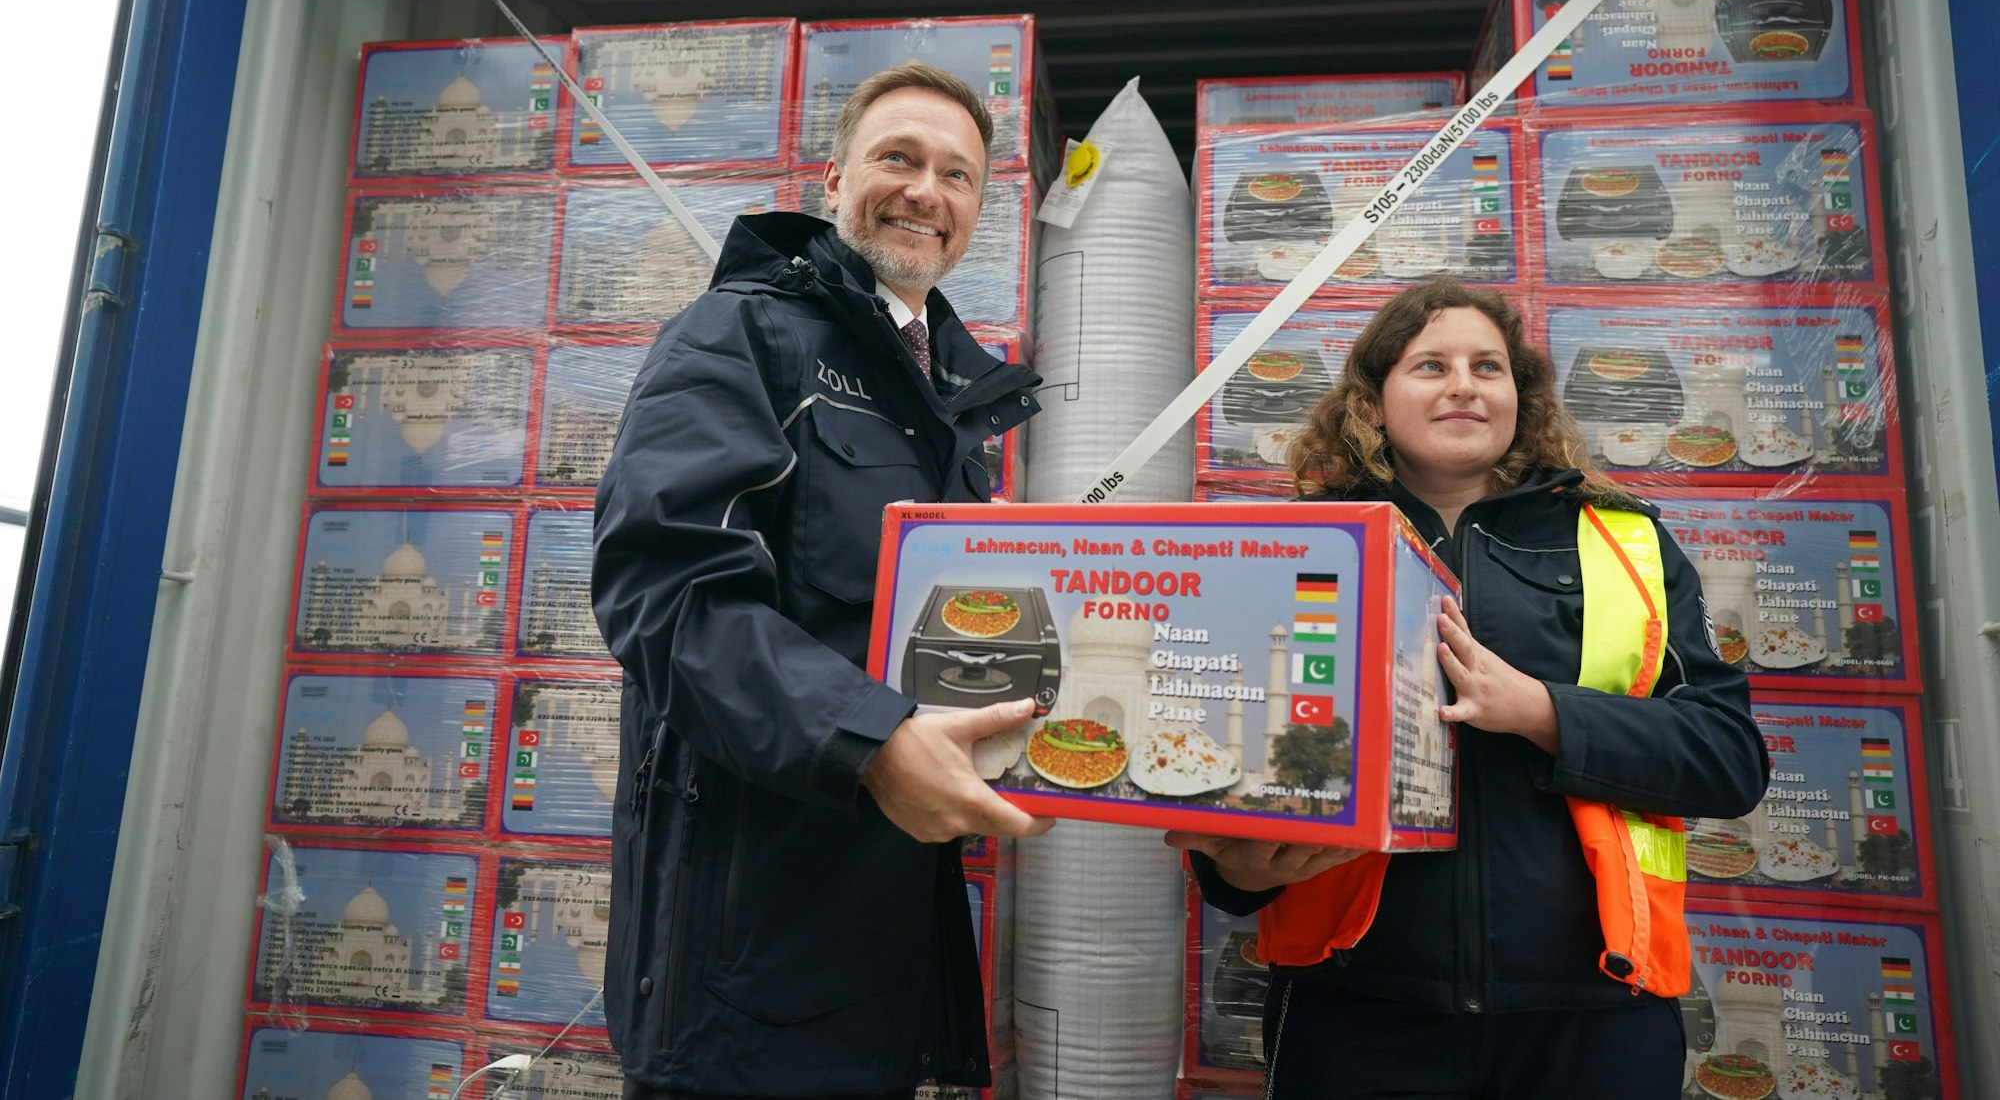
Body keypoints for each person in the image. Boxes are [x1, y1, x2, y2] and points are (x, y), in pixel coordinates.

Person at [1168, 279, 1767, 1100]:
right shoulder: (1299, 547)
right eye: (1430, 365)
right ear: (1373, 403)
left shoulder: (1625, 541)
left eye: (1488, 366)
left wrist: (1543, 713)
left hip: (1595, 1014)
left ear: (1519, 398)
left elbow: (1729, 758)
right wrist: (1239, 870)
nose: (1463, 384)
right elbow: (1242, 788)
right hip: (1356, 1015)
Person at [592, 63, 1053, 1100]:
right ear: (833, 177)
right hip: (744, 958)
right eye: (898, 158)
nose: (924, 192)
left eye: (957, 175)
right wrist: (870, 740)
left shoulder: (948, 401)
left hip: (875, 955)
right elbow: (667, 596)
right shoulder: (737, 337)